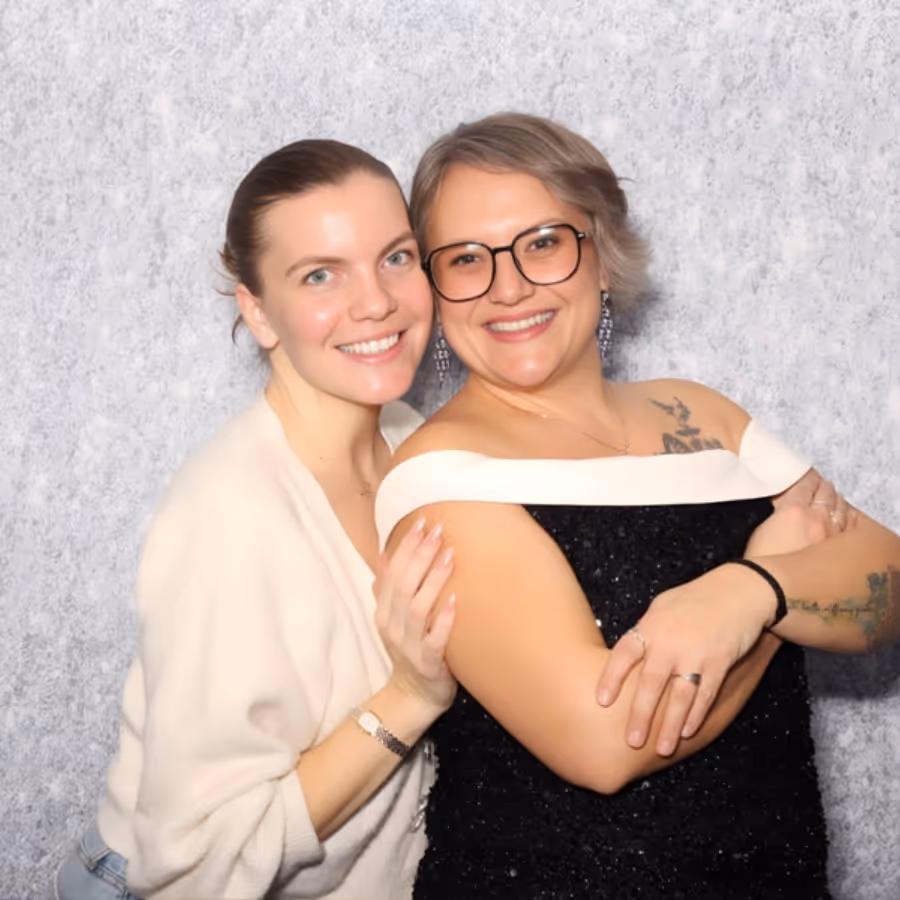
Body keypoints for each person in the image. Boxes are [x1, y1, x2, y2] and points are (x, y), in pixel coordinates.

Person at [375, 113, 900, 898]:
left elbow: (885, 584)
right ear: (436, 287)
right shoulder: (440, 481)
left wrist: (744, 594)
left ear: (601, 253)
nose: (508, 286)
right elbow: (605, 743)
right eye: (466, 259)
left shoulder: (703, 415)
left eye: (543, 242)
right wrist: (766, 578)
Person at [55, 139, 460, 900]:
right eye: (319, 275)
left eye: (396, 257)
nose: (376, 301)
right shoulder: (229, 521)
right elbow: (194, 867)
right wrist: (411, 696)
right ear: (258, 312)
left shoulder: (410, 439)